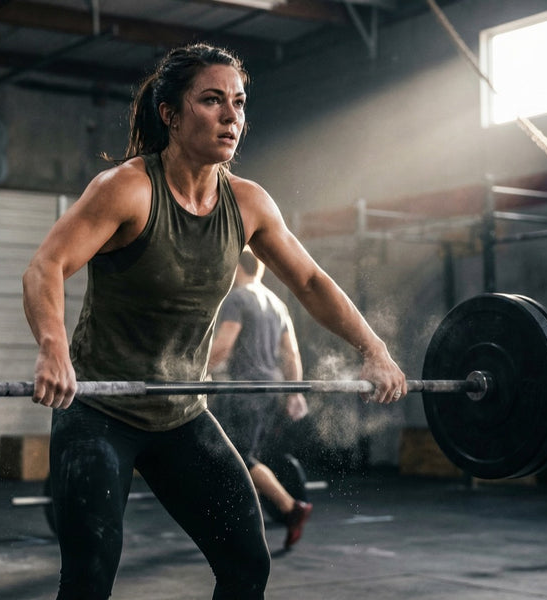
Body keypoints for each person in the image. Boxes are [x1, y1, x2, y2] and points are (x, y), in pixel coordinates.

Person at [21, 43, 406, 599]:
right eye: (211, 100)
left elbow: (310, 281)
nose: (231, 116)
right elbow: (46, 267)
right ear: (171, 115)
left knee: (247, 563)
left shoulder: (248, 204)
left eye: (239, 102)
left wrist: (374, 349)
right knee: (89, 577)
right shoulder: (128, 189)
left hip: (181, 412)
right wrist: (53, 347)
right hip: (101, 410)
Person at [207, 250, 313, 551]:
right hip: (271, 390)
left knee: (237, 458)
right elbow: (291, 353)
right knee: (241, 456)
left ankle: (291, 508)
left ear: (236, 267)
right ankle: (241, 523)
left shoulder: (237, 298)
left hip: (247, 392)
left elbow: (223, 347)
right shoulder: (277, 303)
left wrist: (194, 373)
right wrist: (294, 392)